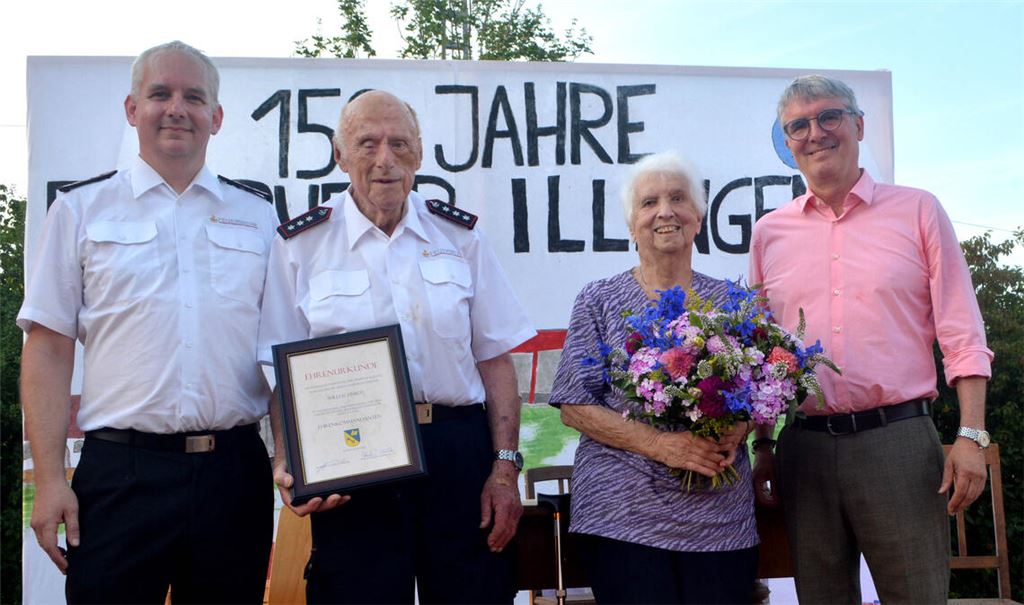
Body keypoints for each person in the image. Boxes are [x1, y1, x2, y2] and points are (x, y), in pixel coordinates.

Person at [19, 41, 277, 604]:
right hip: (119, 476)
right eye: (159, 94)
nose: (176, 109)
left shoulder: (258, 217)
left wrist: (296, 460)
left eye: (194, 97)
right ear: (132, 108)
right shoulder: (81, 210)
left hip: (233, 475)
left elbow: (280, 353)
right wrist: (51, 479)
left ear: (217, 117)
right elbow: (48, 348)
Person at [257, 89, 535, 604]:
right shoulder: (300, 247)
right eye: (367, 143)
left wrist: (504, 468)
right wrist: (290, 459)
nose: (385, 160)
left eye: (400, 144)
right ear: (340, 155)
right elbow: (280, 371)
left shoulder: (461, 239)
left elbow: (496, 361)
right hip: (352, 464)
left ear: (420, 153)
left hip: (457, 455)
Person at [749, 74, 993, 603]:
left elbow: (961, 328)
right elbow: (761, 352)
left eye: (829, 116)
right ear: (787, 143)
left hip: (898, 446)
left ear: (859, 125)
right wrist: (764, 446)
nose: (815, 133)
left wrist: (972, 435)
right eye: (798, 125)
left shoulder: (918, 210)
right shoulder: (768, 233)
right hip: (805, 451)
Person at [548, 151, 758, 604]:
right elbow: (572, 404)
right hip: (622, 515)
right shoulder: (599, 300)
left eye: (678, 198)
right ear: (631, 225)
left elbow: (760, 396)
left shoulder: (732, 303)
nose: (665, 211)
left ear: (698, 217)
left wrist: (736, 427)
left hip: (718, 517)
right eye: (649, 202)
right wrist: (665, 445)